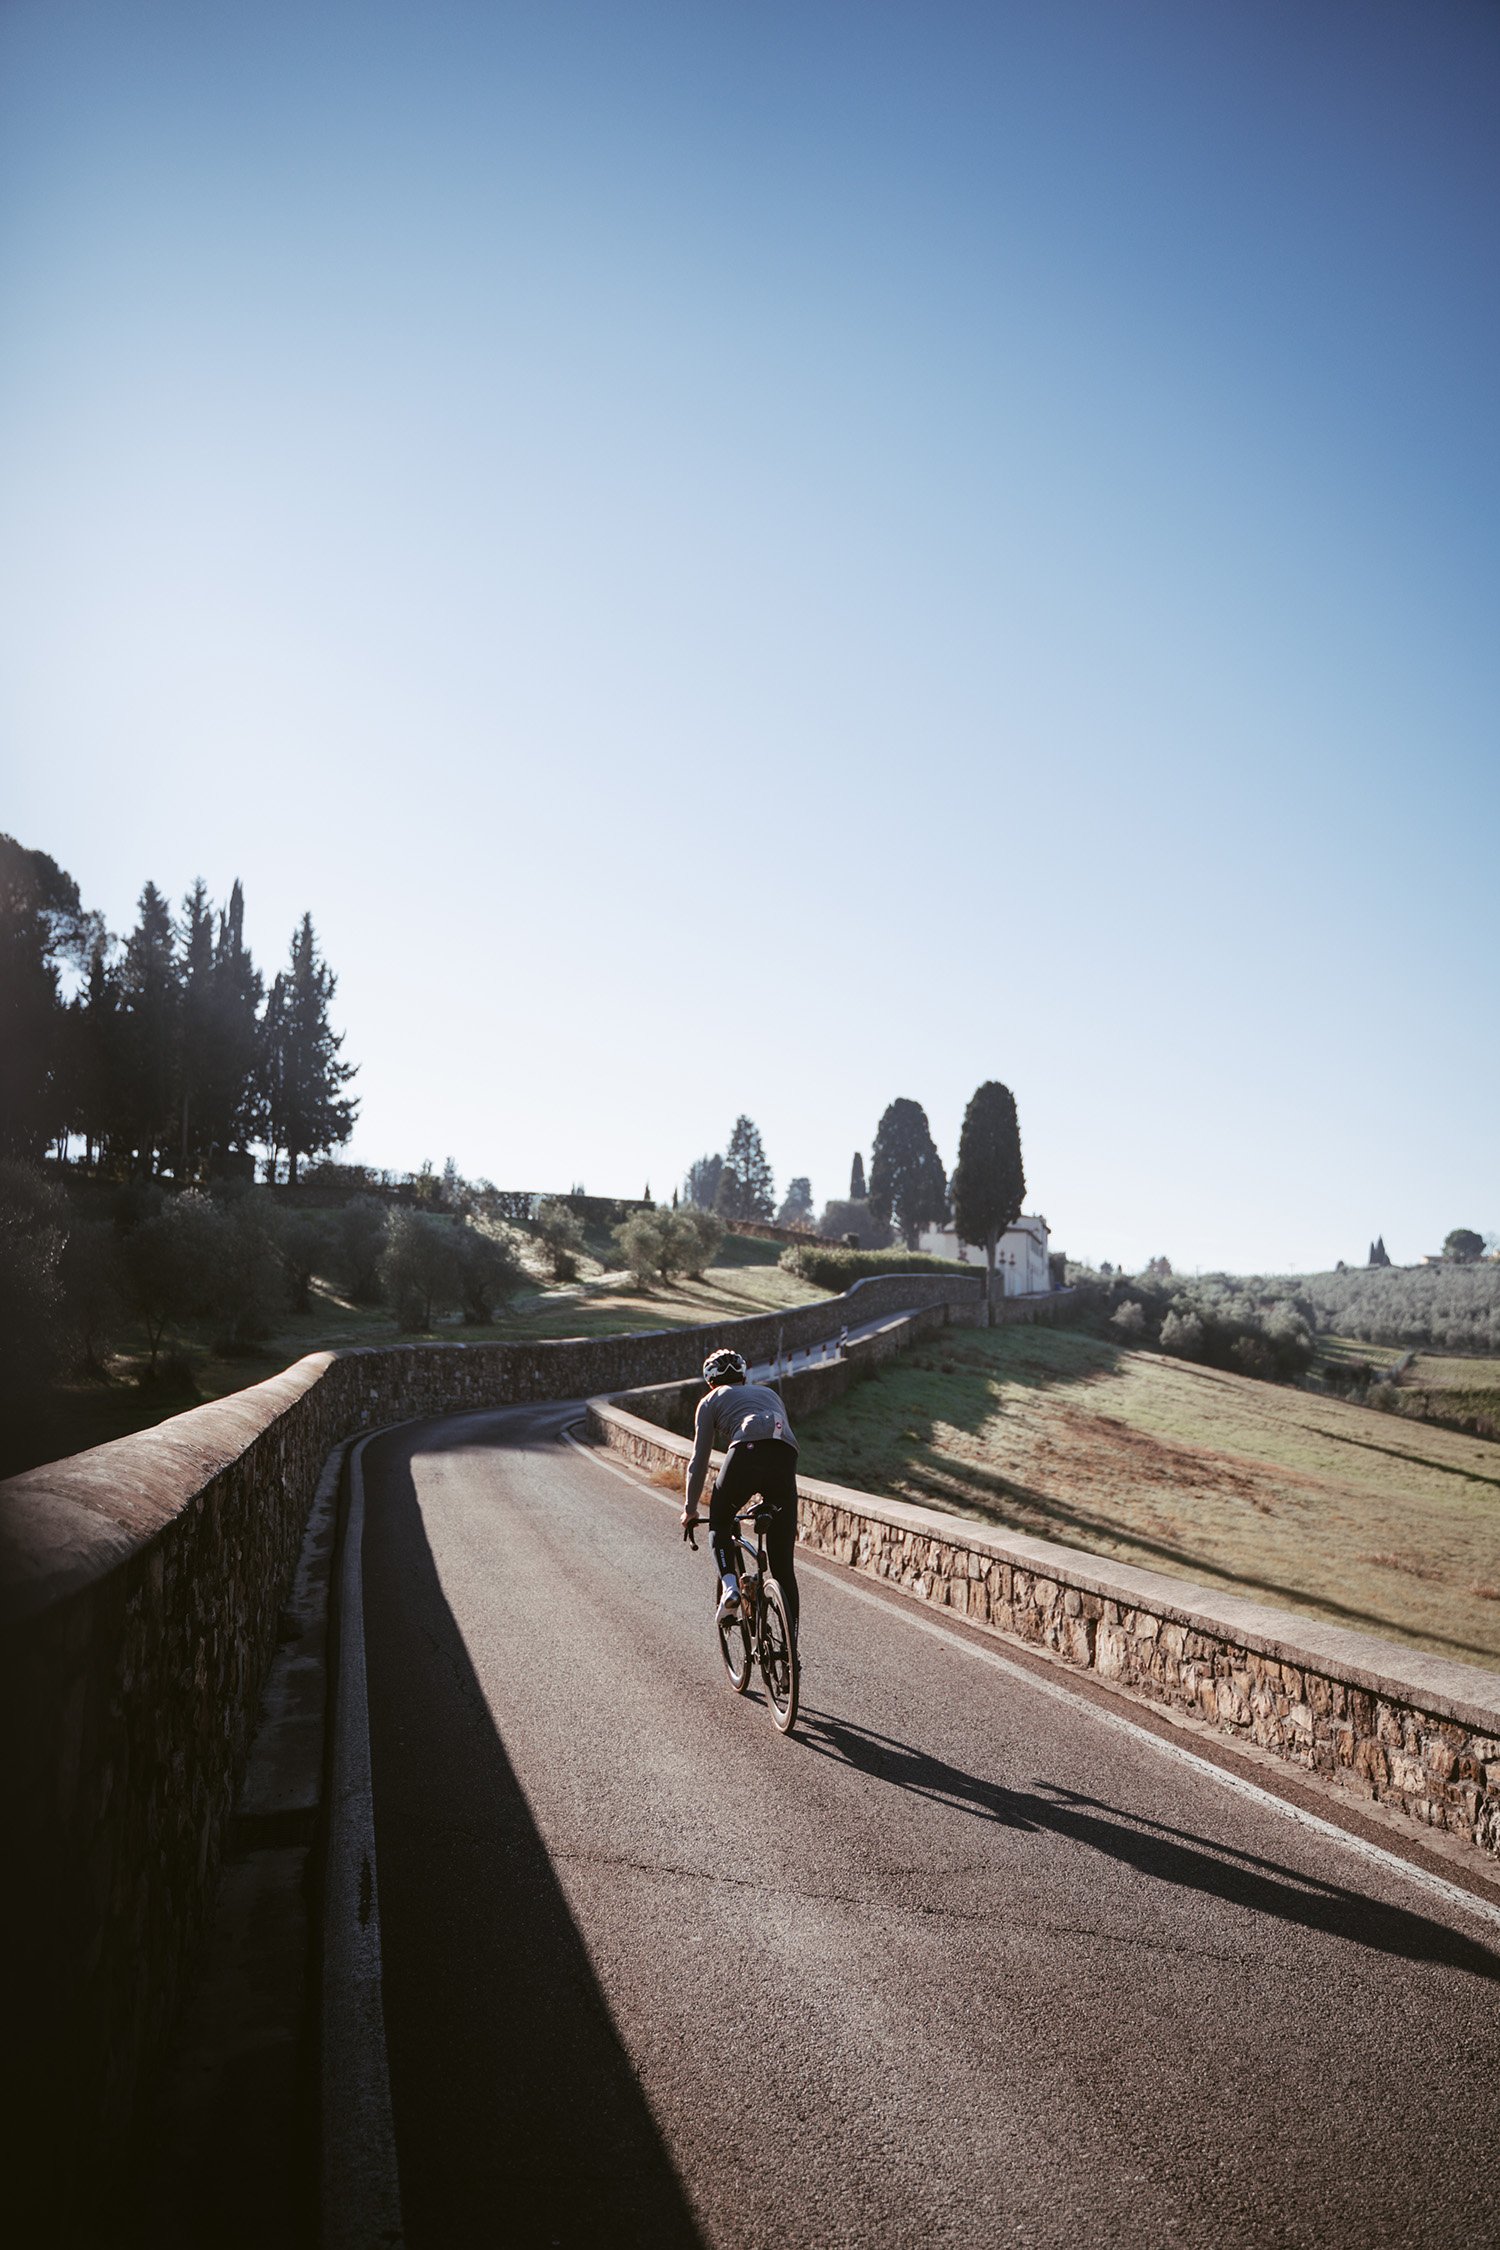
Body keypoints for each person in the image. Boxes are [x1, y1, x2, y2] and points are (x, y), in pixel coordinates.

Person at [680, 1346, 801, 1638]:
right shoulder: (770, 1394)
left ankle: (731, 1588)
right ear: (744, 1377)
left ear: (710, 1381)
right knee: (783, 1565)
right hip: (786, 1458)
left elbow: (699, 1459)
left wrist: (690, 1508)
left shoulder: (710, 1400)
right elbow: (776, 1440)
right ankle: (791, 1645)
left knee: (720, 1522)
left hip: (745, 1453)